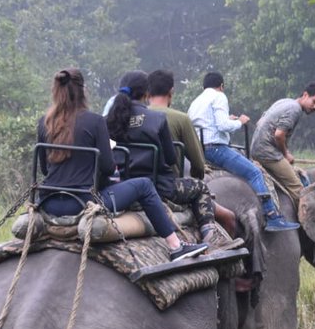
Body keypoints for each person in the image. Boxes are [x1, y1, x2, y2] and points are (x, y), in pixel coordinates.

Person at [36, 67, 207, 261]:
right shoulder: (95, 121)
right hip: (83, 202)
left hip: (48, 202)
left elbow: (44, 168)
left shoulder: (44, 122)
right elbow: (109, 168)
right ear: (83, 91)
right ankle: (176, 246)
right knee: (143, 185)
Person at [105, 70, 236, 249]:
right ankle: (210, 234)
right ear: (145, 93)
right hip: (160, 188)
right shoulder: (157, 118)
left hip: (123, 187)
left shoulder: (109, 120)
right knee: (201, 187)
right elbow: (170, 157)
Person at [186, 71, 299, 232]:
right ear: (221, 86)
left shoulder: (196, 101)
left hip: (200, 149)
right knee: (254, 172)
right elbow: (222, 126)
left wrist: (228, 119)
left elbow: (211, 123)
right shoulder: (219, 96)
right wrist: (240, 121)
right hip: (216, 148)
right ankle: (271, 215)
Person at [145, 69, 240, 238]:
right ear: (171, 92)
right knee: (228, 217)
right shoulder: (180, 118)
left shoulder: (132, 117)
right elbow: (197, 163)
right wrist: (197, 175)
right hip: (169, 188)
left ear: (147, 92)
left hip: (136, 186)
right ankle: (213, 239)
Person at [250, 82, 315, 202]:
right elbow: (279, 135)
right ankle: (307, 219)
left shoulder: (284, 101)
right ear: (305, 95)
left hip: (256, 149)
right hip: (267, 153)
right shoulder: (295, 109)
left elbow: (259, 122)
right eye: (314, 101)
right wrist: (285, 154)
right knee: (298, 188)